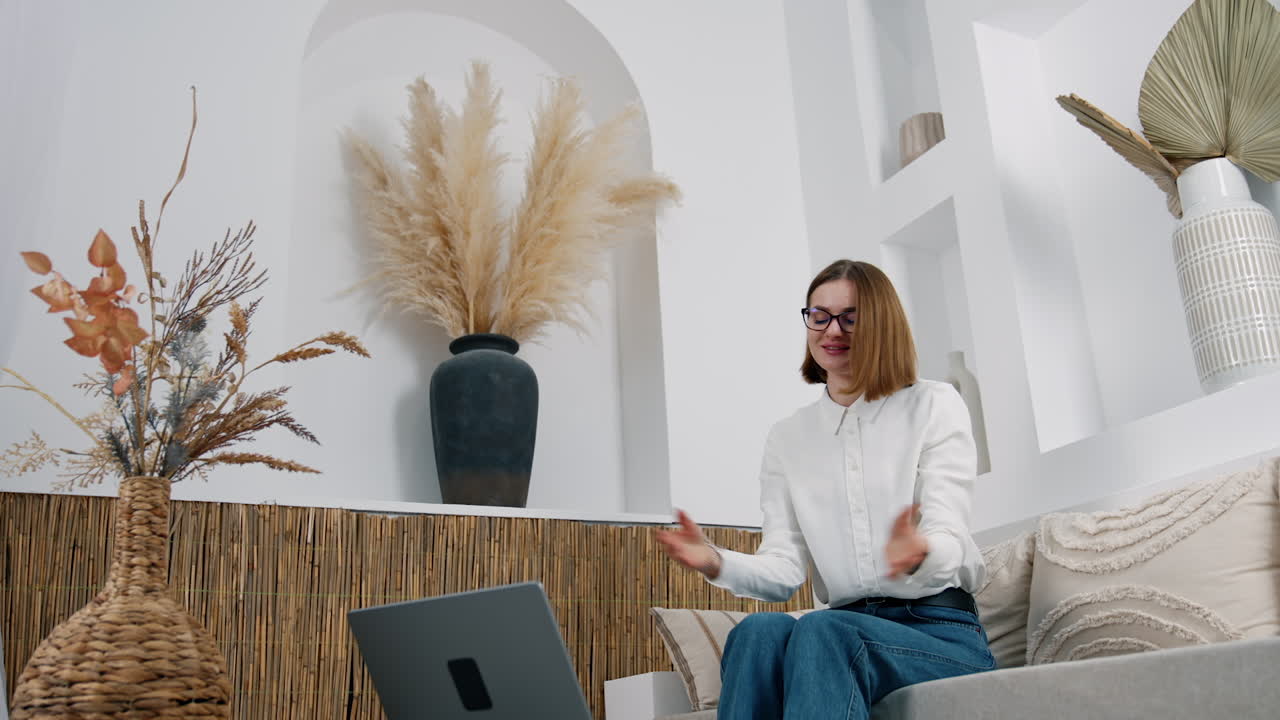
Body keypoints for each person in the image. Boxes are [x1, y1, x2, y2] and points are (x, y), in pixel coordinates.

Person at [656, 259, 993, 719]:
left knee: (823, 629)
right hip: (843, 630)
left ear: (881, 324)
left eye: (850, 317)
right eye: (820, 316)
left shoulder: (934, 404)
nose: (832, 330)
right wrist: (716, 561)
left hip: (937, 631)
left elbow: (949, 532)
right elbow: (784, 568)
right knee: (756, 634)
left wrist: (921, 553)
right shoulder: (787, 438)